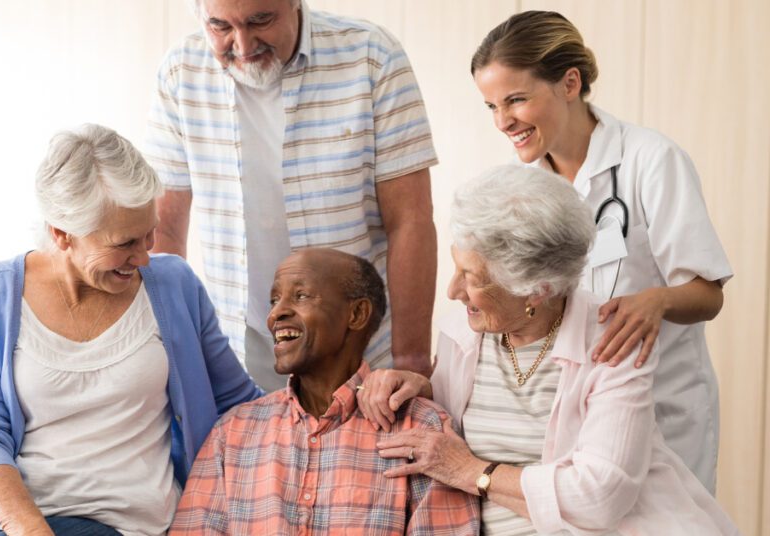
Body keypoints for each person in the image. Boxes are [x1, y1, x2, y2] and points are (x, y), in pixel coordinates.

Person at [360, 166, 738, 534]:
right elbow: (454, 412)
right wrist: (415, 387)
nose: (453, 291)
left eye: (471, 278)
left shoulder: (612, 340)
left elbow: (601, 496)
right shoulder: (464, 329)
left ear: (536, 290)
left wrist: (471, 471)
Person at [0, 124, 263, 536]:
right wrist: (27, 526)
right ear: (61, 233)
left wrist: (352, 400)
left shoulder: (174, 284)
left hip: (113, 521)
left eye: (150, 235)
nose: (143, 258)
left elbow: (240, 401)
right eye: (125, 243)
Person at [469, 10, 731, 492]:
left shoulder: (651, 160)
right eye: (490, 106)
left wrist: (659, 299)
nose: (503, 121)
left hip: (661, 405)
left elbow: (708, 293)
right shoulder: (518, 184)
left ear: (569, 83)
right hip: (571, 411)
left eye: (516, 99)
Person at [145, 0, 438, 391]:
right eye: (220, 26)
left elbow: (410, 221)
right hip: (236, 350)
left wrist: (412, 364)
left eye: (260, 20)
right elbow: (164, 236)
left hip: (359, 350)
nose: (243, 45)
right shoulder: (181, 71)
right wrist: (170, 358)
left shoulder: (372, 56)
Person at [170, 248, 479, 535]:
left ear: (356, 314)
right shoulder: (233, 433)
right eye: (274, 300)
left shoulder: (421, 428)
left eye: (300, 295)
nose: (276, 313)